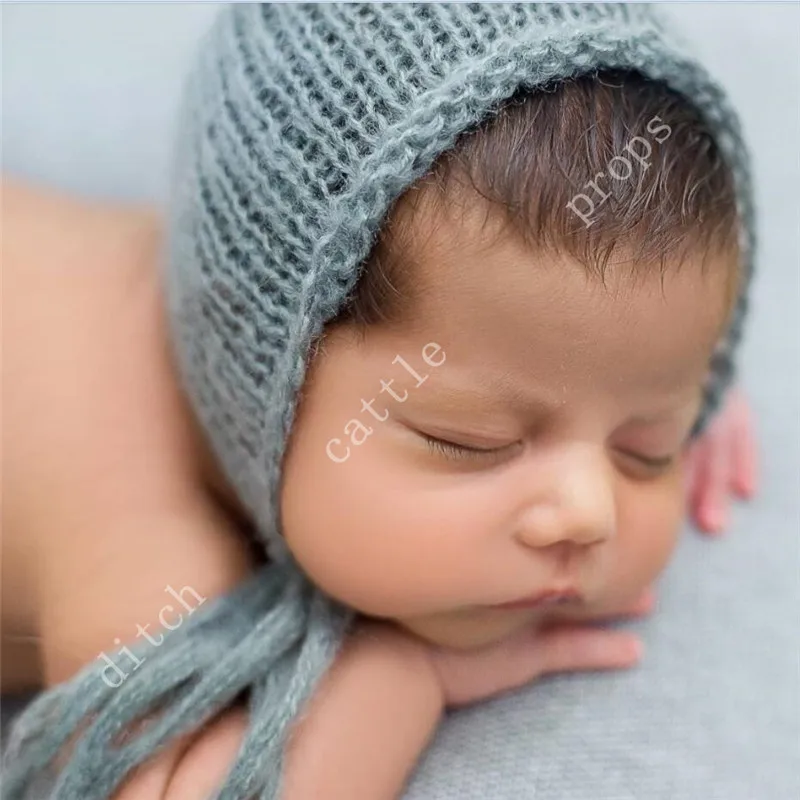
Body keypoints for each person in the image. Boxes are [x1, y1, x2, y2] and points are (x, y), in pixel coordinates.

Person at [2, 4, 758, 798]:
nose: (586, 511)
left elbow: (547, 320)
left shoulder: (241, 268)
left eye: (646, 447)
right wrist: (398, 679)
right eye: (472, 440)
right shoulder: (139, 545)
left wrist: (651, 366)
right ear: (266, 355)